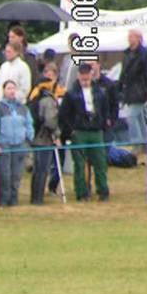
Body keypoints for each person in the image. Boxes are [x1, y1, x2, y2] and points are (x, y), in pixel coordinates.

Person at [59, 62, 109, 202]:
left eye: (87, 79)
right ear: (78, 77)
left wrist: (103, 123)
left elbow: (105, 109)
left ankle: (103, 190)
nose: (85, 82)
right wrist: (71, 130)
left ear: (91, 76)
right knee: (79, 164)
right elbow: (64, 114)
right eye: (83, 79)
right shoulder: (71, 94)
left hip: (96, 130)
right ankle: (81, 192)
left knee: (100, 162)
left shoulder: (99, 92)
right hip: (79, 132)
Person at [0, 80, 35, 207]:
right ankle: (4, 200)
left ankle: (14, 199)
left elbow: (29, 125)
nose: (12, 91)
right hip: (4, 146)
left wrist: (28, 140)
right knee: (5, 175)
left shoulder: (23, 108)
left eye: (13, 88)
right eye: (9, 88)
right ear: (4, 91)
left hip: (20, 145)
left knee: (16, 175)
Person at [27, 62, 63, 204]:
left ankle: (34, 196)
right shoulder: (48, 100)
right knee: (42, 169)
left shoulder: (35, 97)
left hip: (36, 137)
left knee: (37, 169)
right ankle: (38, 199)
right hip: (44, 138)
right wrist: (57, 134)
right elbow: (50, 121)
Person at [118, 29, 147, 152]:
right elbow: (123, 73)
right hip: (129, 90)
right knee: (138, 117)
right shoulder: (127, 54)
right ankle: (145, 142)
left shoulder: (146, 54)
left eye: (131, 37)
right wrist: (119, 87)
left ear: (138, 38)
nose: (129, 39)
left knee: (132, 116)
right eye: (128, 37)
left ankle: (137, 142)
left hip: (140, 90)